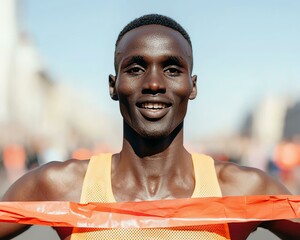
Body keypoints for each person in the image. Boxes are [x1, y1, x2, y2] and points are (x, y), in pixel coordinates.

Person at [0, 14, 299, 240]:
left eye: (171, 69)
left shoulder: (241, 190)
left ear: (192, 86)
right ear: (113, 85)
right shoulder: (60, 186)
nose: (154, 84)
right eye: (135, 69)